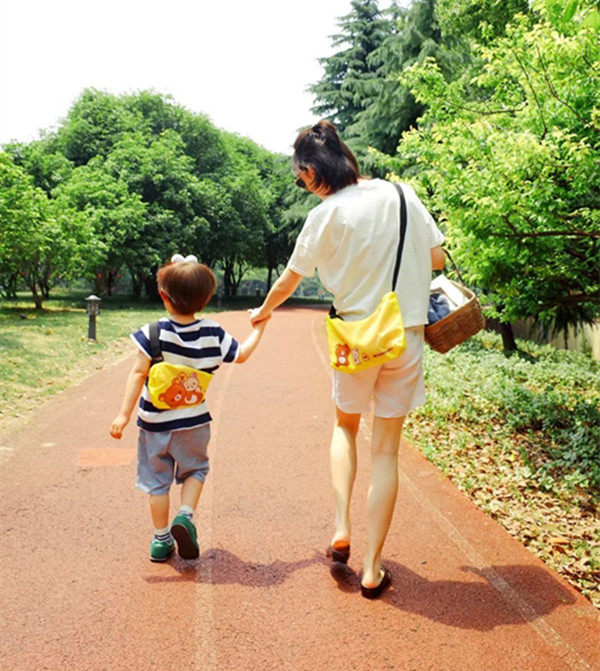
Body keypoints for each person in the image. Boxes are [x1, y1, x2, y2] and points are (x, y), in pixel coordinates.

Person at [250, 121, 445, 599]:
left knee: (345, 426)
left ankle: (341, 524)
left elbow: (290, 279)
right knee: (387, 451)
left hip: (355, 338)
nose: (305, 186)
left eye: (302, 179)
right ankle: (373, 568)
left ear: (313, 171)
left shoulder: (325, 215)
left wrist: (263, 312)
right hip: (403, 335)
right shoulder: (402, 194)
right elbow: (438, 258)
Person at [110, 254, 268, 562]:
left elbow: (138, 373)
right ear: (206, 299)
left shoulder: (152, 332)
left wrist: (123, 414)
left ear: (163, 296)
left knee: (157, 484)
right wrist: (259, 328)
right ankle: (184, 514)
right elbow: (242, 354)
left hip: (154, 425)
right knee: (196, 470)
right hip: (194, 423)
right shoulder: (212, 333)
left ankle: (160, 540)